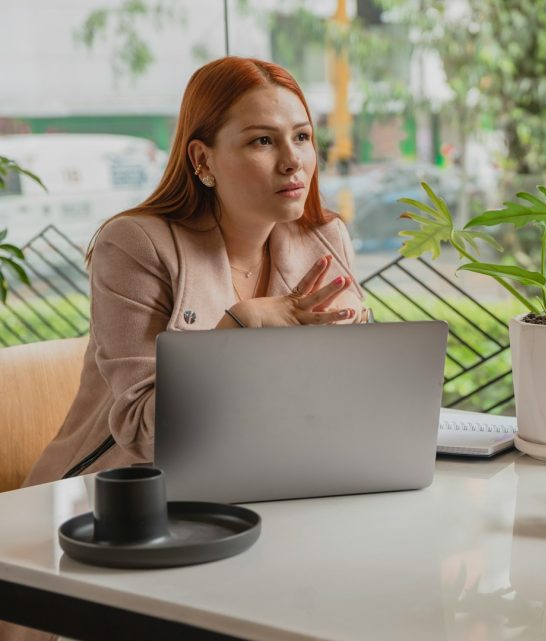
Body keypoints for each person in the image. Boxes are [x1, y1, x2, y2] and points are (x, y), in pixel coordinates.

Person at [22, 57, 368, 489]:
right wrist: (240, 327)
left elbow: (343, 398)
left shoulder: (325, 238)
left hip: (262, 478)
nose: (292, 160)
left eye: (302, 137)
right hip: (111, 499)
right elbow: (145, 431)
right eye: (263, 141)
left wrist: (359, 355)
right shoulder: (135, 245)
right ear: (203, 159)